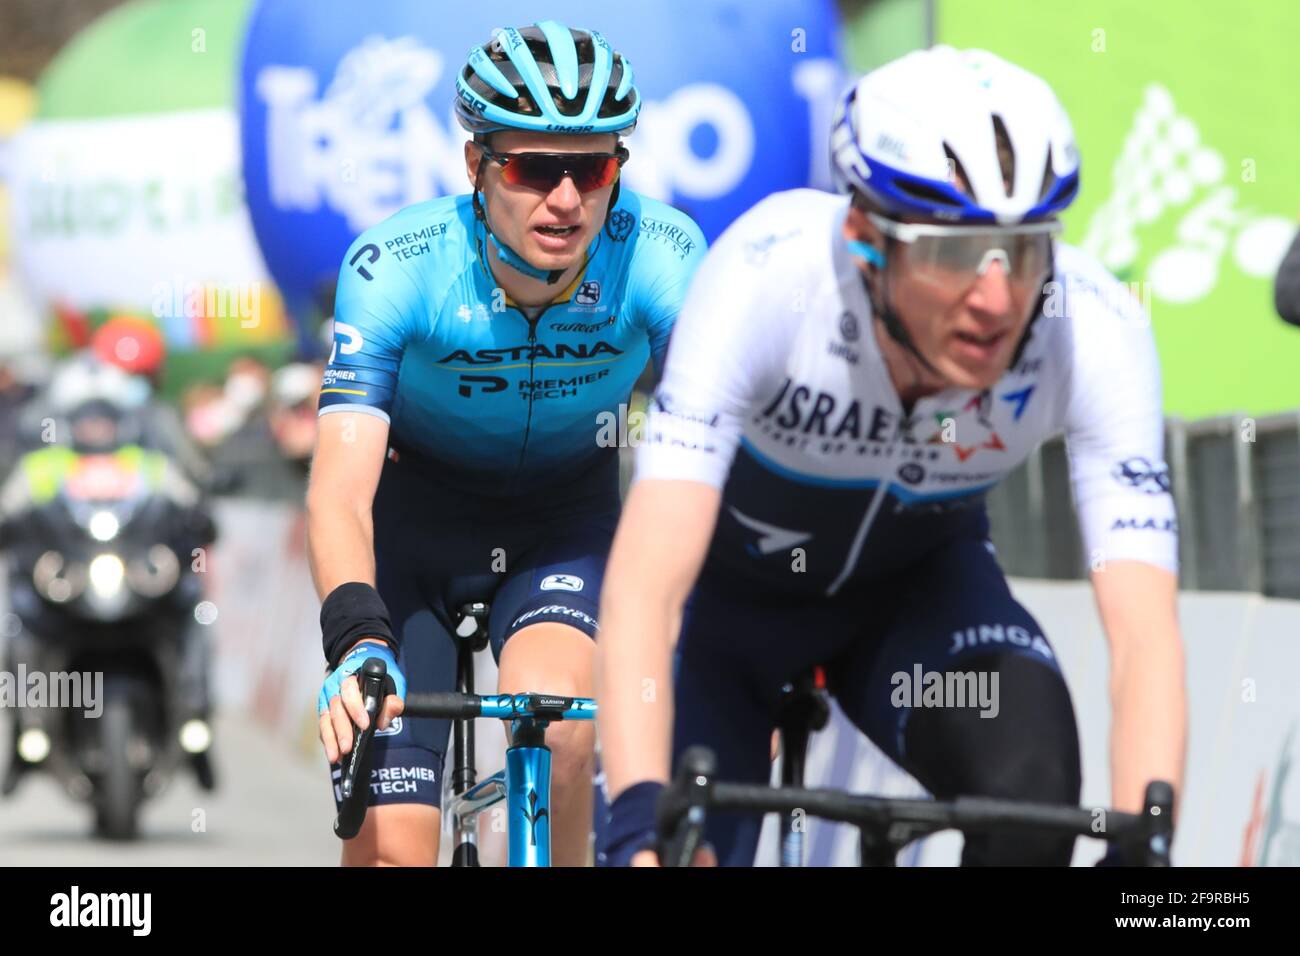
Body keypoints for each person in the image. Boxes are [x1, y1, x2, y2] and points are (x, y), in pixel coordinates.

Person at [596, 45, 1187, 866]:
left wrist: (1142, 849)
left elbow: (1145, 632)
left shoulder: (1093, 329)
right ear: (866, 238)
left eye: (1023, 250)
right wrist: (636, 819)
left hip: (912, 610)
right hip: (722, 620)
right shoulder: (766, 277)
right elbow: (645, 589)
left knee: (1032, 797)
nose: (995, 299)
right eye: (950, 254)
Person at [310, 20, 705, 866]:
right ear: (476, 167)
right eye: (532, 169)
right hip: (413, 524)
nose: (565, 200)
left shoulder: (664, 256)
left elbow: (717, 461)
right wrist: (356, 641)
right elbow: (340, 490)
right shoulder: (396, 266)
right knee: (394, 853)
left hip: (563, 522)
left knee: (557, 722)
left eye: (592, 168)